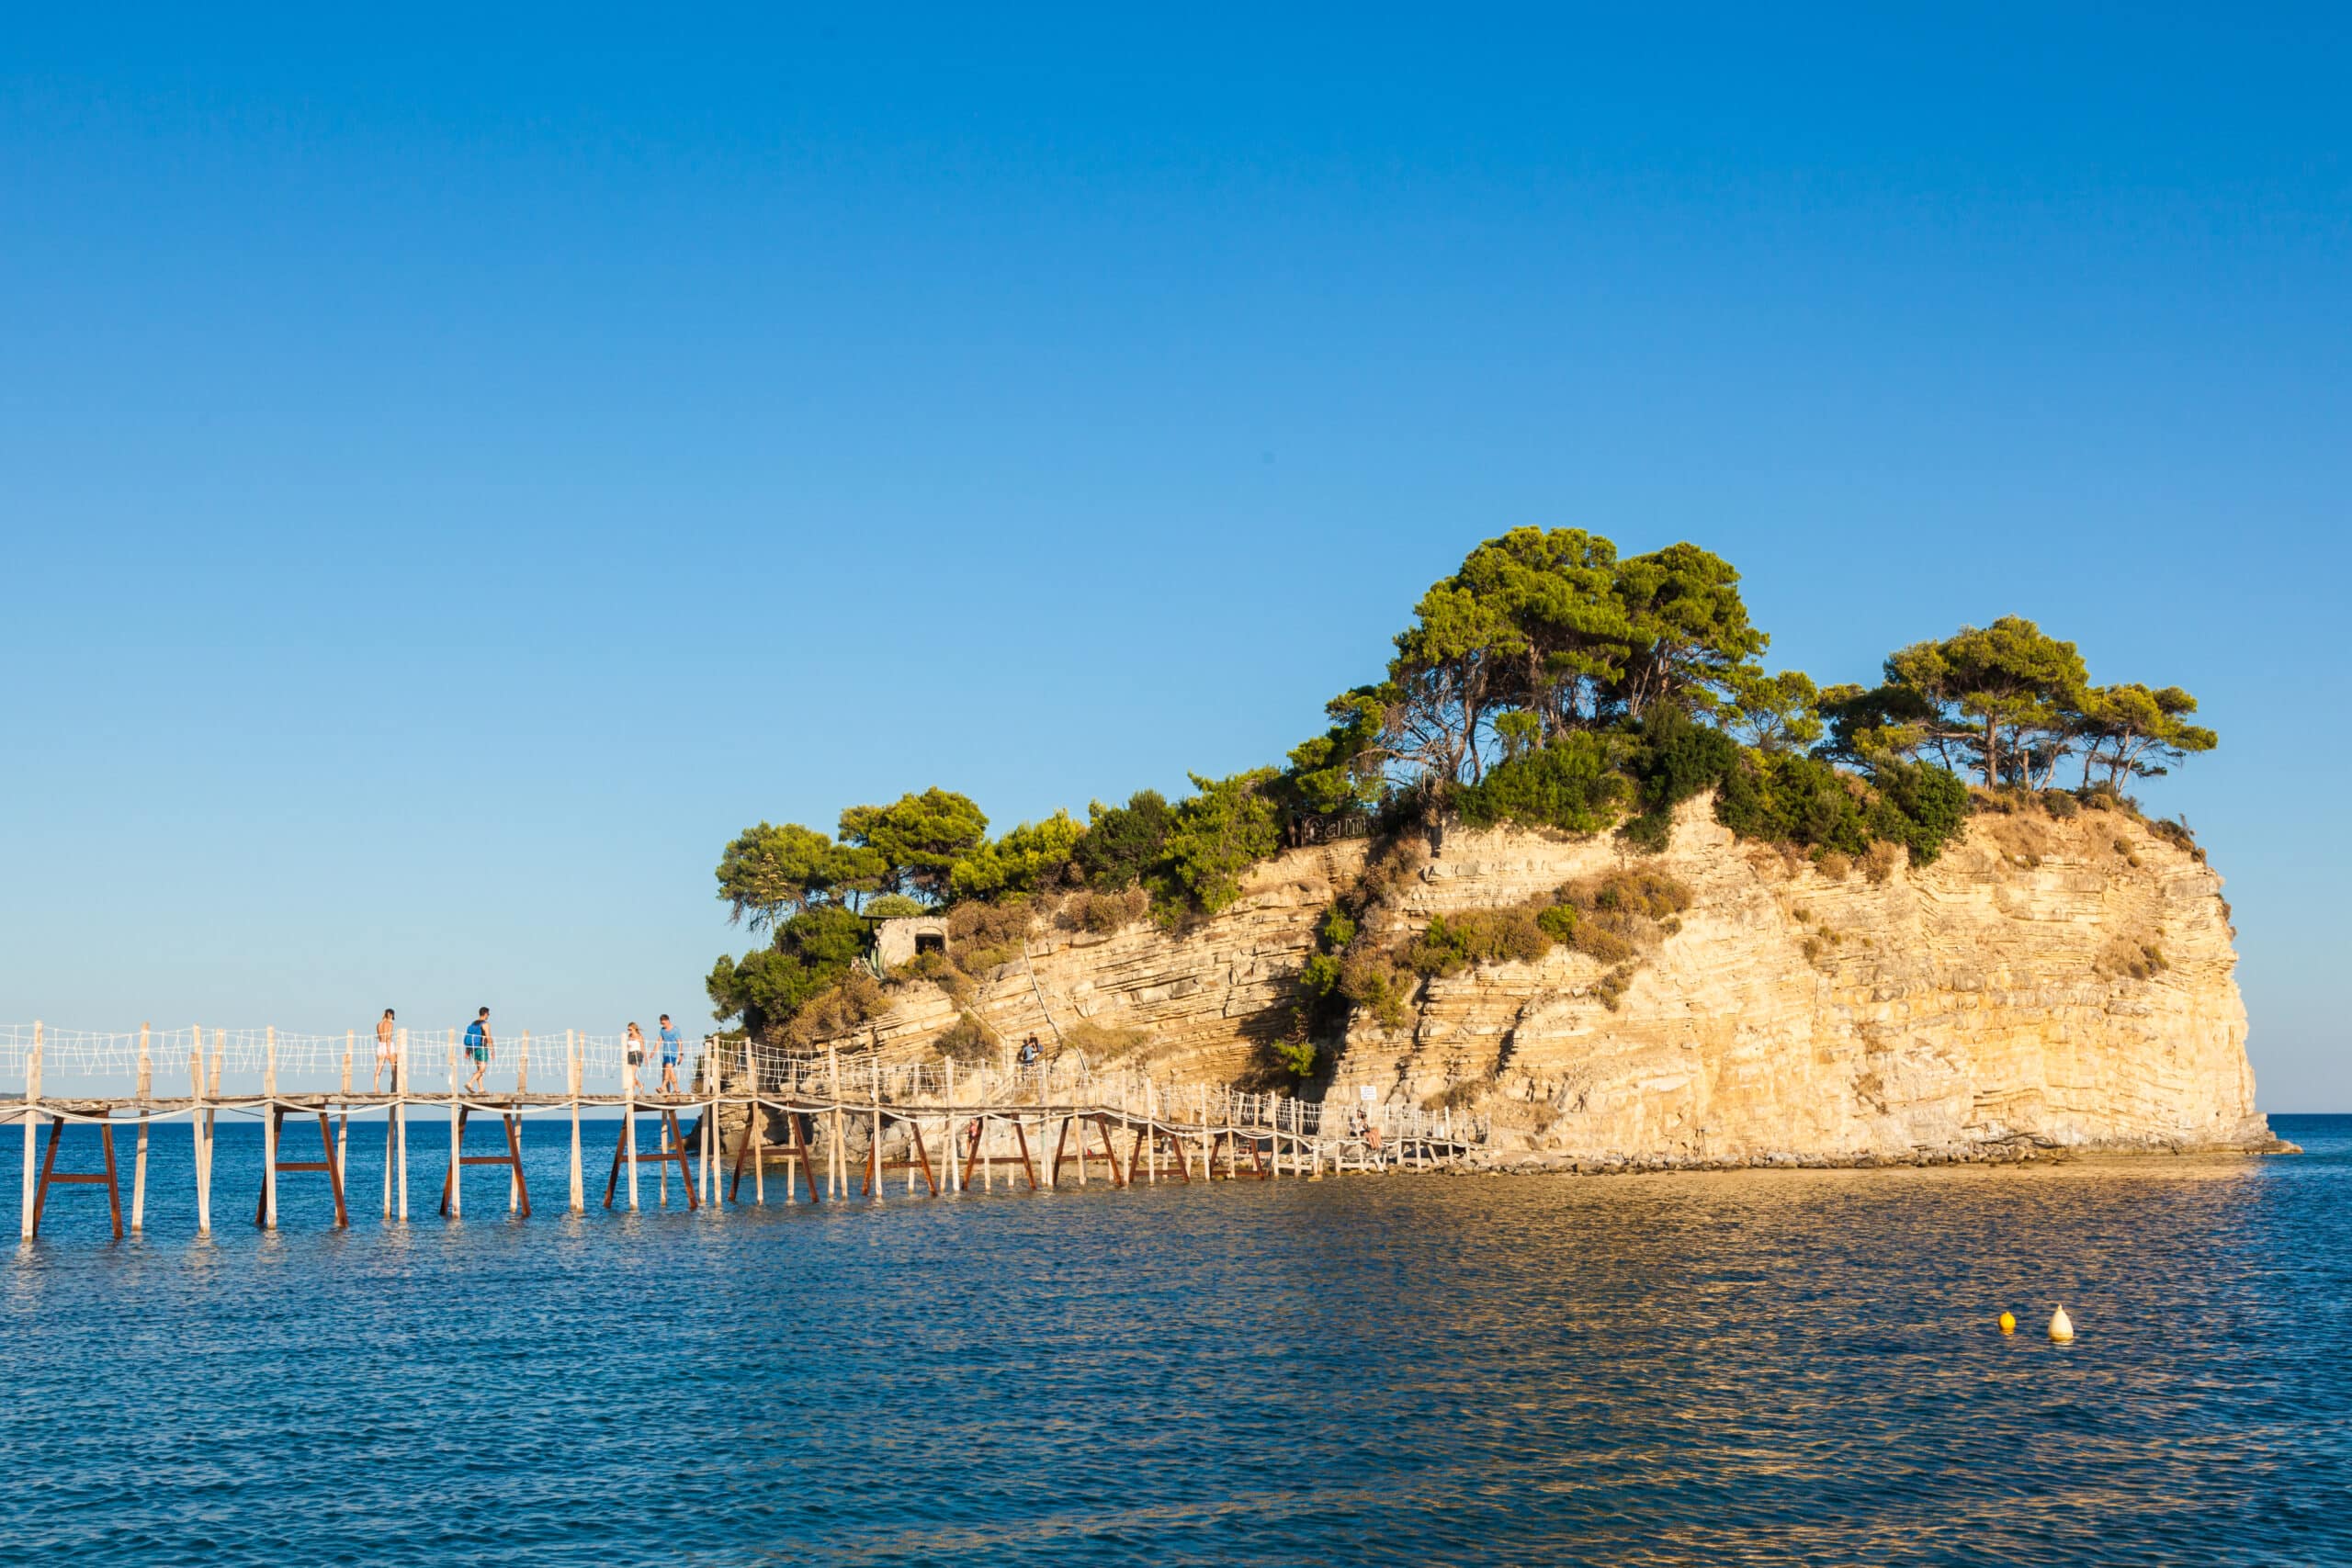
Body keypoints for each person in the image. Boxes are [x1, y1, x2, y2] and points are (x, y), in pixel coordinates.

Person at [463, 1007, 492, 1094]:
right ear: (485, 1014)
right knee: (482, 1069)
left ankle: (481, 1089)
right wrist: (492, 1049)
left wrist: (467, 1051)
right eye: (488, 1014)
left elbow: (471, 1037)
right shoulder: (485, 1024)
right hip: (482, 1048)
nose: (488, 1016)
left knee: (479, 1069)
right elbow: (488, 1038)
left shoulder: (473, 1024)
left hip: (473, 1049)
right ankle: (470, 1083)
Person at [373, 1009, 399, 1093]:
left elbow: (380, 1037)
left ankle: (376, 1087)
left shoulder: (379, 1024)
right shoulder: (390, 1024)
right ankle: (394, 1087)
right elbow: (388, 1037)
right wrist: (388, 1051)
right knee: (394, 1066)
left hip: (380, 1045)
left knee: (378, 1068)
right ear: (391, 1015)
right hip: (388, 1045)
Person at [659, 1014, 683, 1095]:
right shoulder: (662, 1030)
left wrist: (680, 1054)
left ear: (668, 1021)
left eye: (663, 1023)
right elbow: (659, 1041)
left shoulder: (675, 1029)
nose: (663, 1025)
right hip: (665, 1053)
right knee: (670, 1071)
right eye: (661, 1023)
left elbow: (680, 1042)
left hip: (673, 1053)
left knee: (668, 1068)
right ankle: (677, 1089)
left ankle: (662, 1087)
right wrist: (653, 1052)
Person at [624, 1022, 646, 1095]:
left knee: (632, 1074)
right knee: (629, 1075)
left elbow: (643, 1047)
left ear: (634, 1028)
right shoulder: (629, 1036)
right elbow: (627, 1046)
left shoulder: (640, 1036)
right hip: (629, 1055)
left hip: (637, 1055)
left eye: (630, 1029)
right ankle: (640, 1086)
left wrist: (645, 1058)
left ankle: (632, 1091)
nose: (629, 1031)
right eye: (628, 1029)